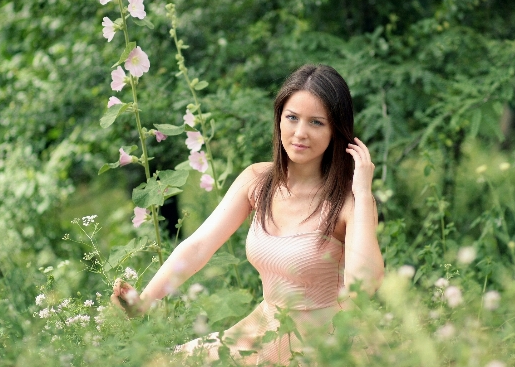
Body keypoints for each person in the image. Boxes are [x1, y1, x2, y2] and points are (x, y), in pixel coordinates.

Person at [111, 64, 385, 365]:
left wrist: (362, 192)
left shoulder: (350, 201)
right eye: (292, 117)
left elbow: (364, 286)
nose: (300, 133)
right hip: (265, 330)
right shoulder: (258, 180)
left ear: (336, 130)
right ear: (279, 119)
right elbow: (199, 246)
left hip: (325, 344)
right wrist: (145, 300)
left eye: (317, 122)